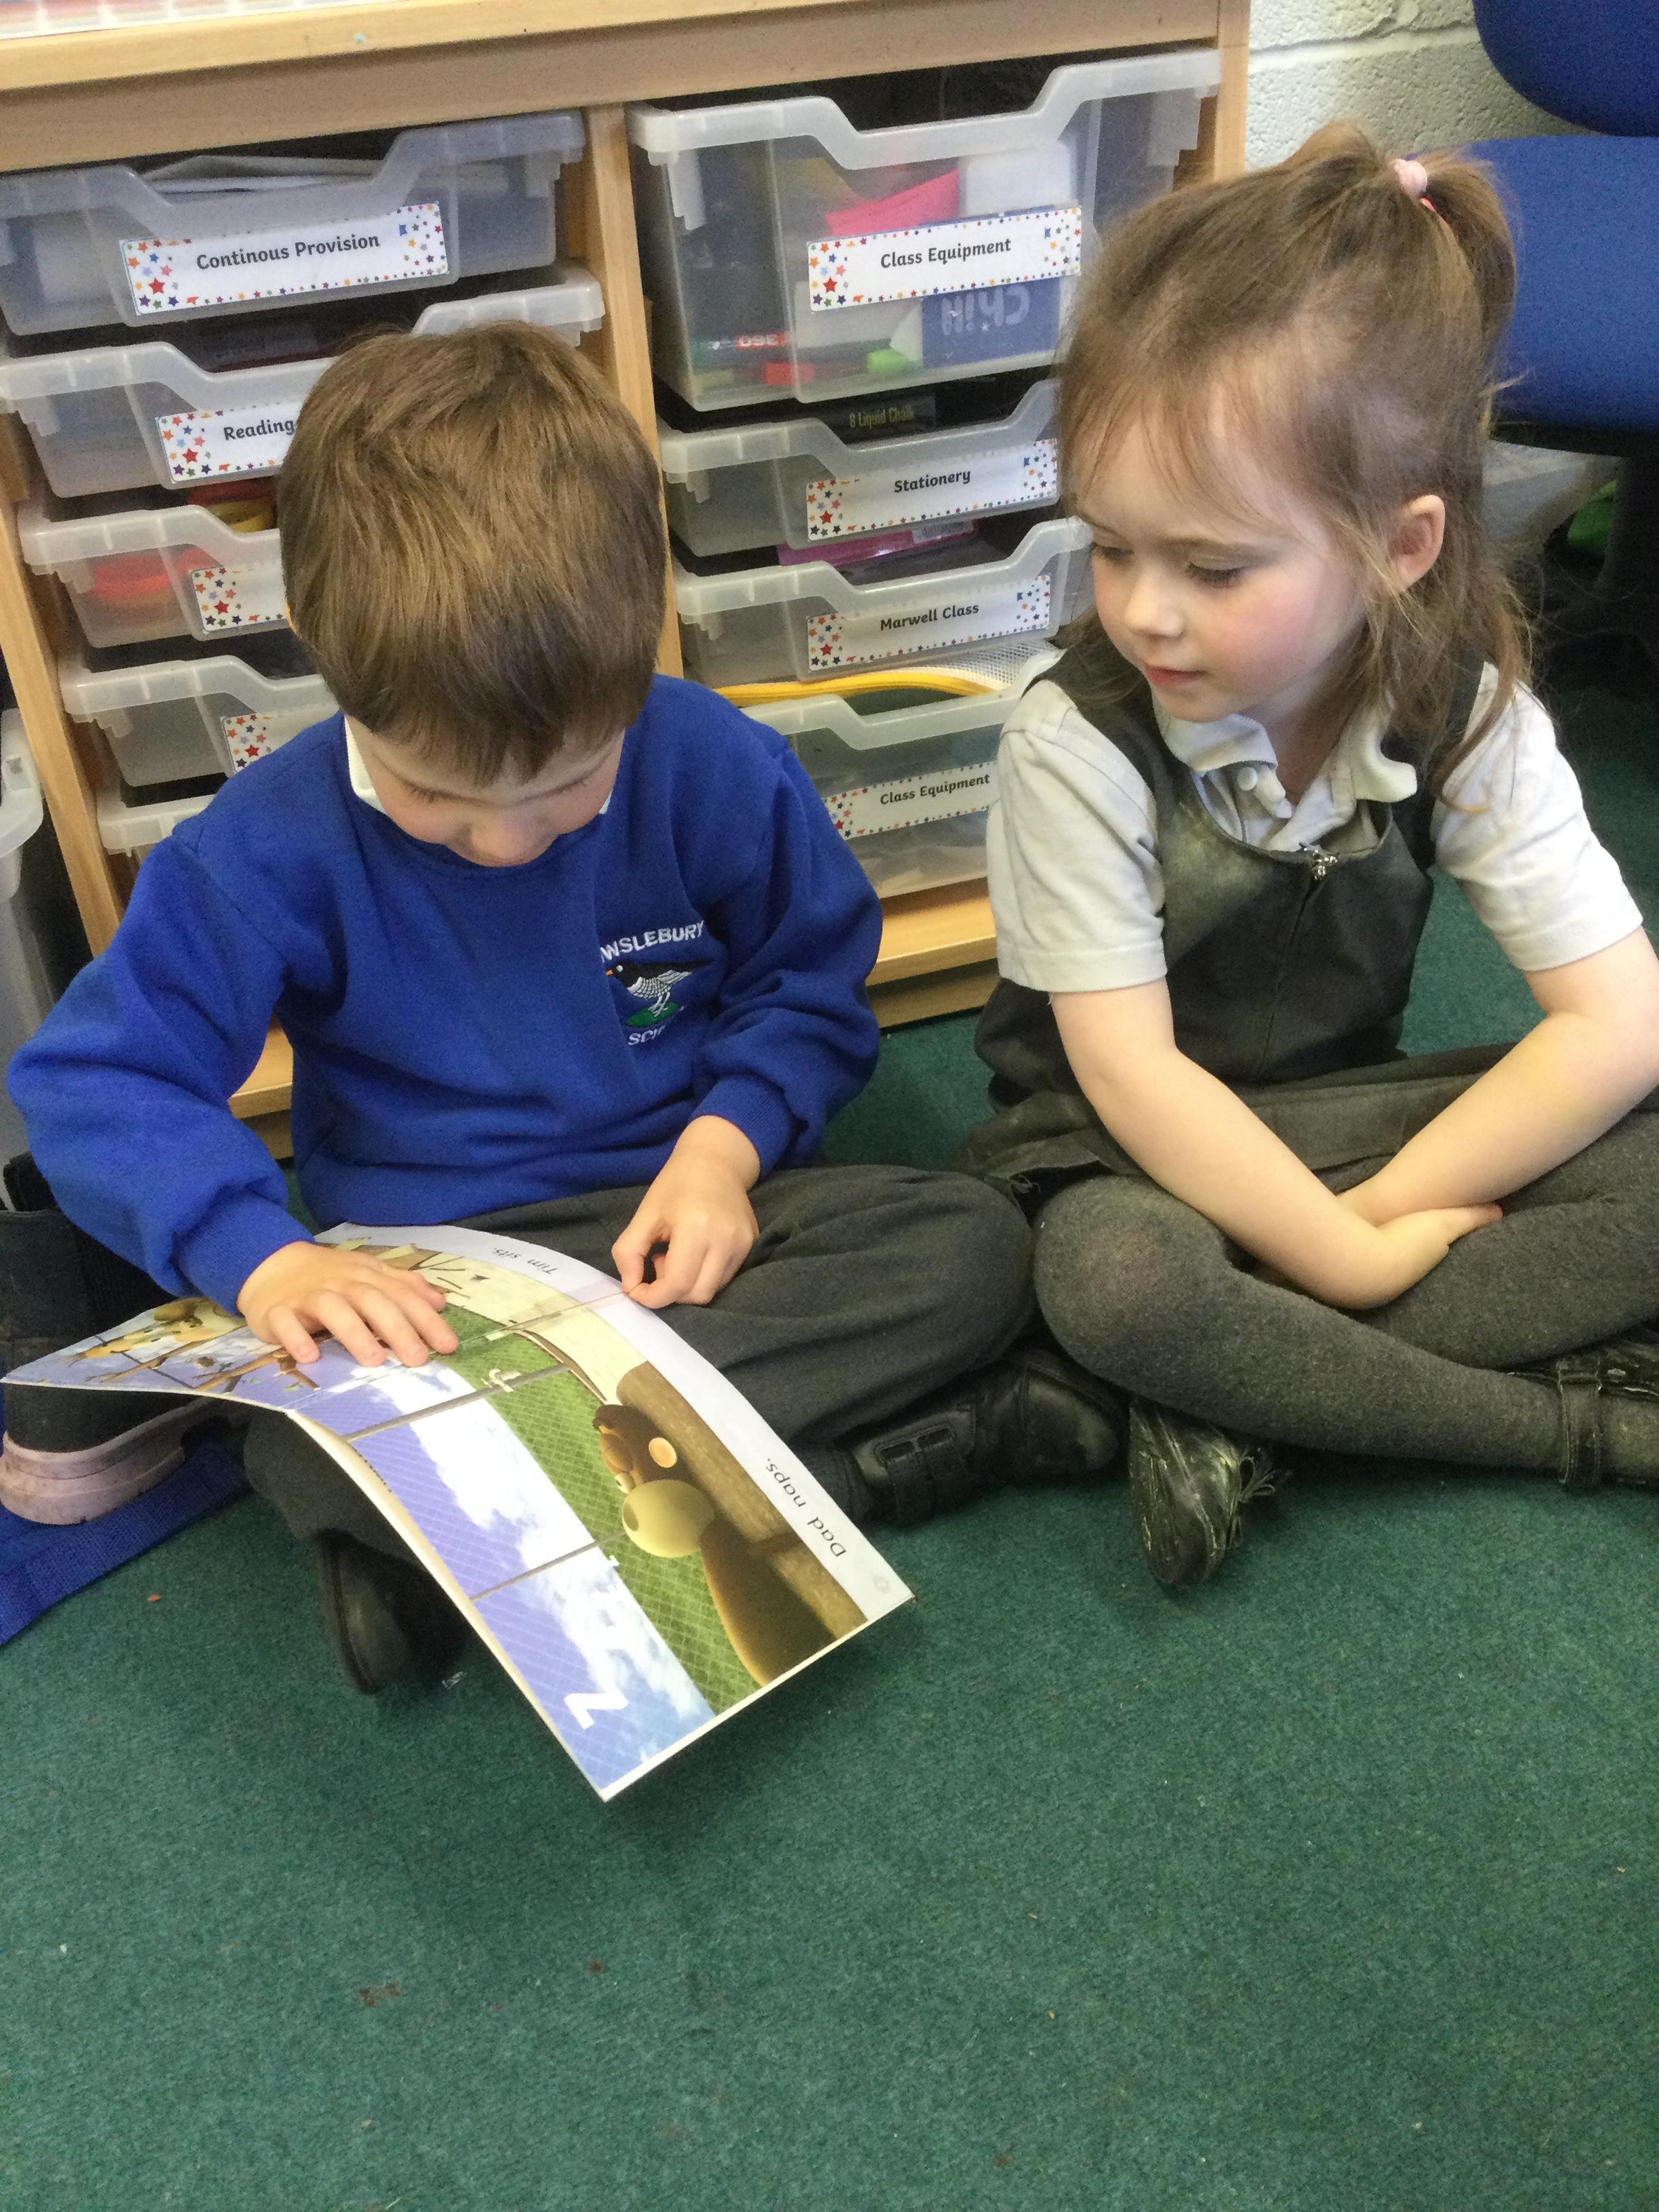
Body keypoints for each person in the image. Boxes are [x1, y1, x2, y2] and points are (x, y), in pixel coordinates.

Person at [4, 323, 1120, 1685]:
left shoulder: (712, 763)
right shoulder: (261, 849)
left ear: (639, 650)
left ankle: (477, 1541)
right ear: (322, 658)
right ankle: (877, 1462)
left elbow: (807, 981)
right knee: (291, 1424)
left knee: (972, 1248)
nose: (507, 842)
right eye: (437, 795)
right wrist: (264, 1259)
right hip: (432, 1276)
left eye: (569, 787)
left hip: (692, 1228)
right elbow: (99, 1082)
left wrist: (724, 1151)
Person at [957, 125, 1659, 1589]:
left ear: (1402, 547)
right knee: (1119, 1284)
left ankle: (1240, 1394)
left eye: (1214, 566)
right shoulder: (1072, 741)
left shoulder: (1468, 709)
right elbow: (1134, 1080)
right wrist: (1348, 1263)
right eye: (1112, 547)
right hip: (1114, 1153)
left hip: (1348, 1130)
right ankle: (1563, 1427)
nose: (1146, 612)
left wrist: (1367, 1218)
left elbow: (1619, 1022)